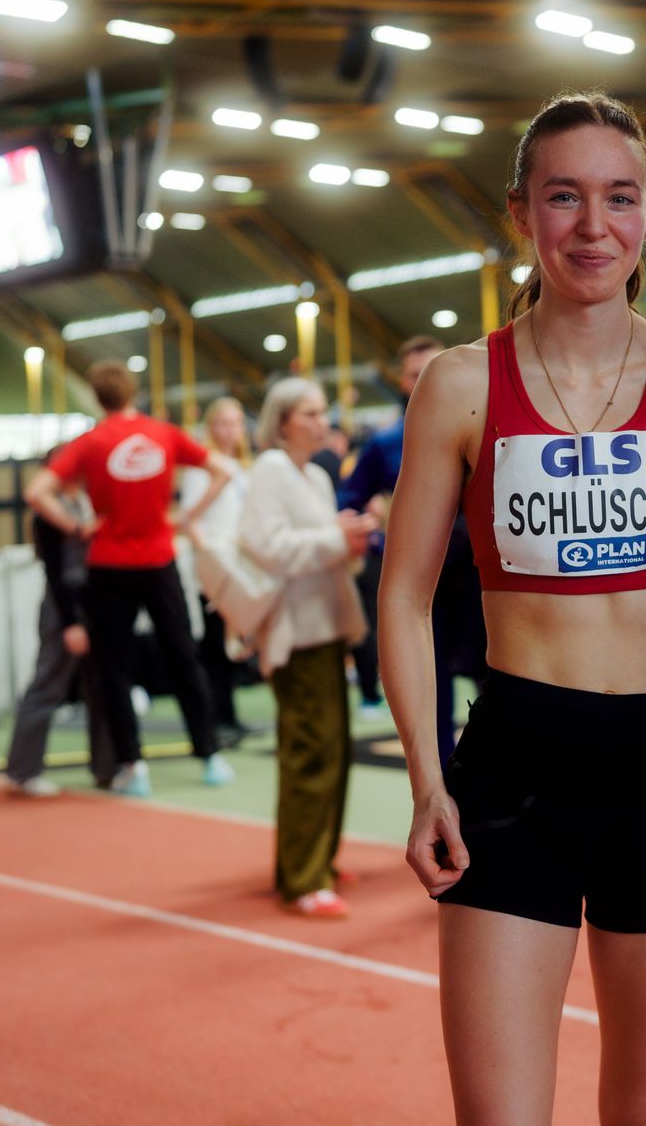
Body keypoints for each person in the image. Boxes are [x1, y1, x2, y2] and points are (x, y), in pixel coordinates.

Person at [382, 94, 646, 1125]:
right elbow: (403, 593)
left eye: (620, 198)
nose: (593, 226)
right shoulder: (460, 383)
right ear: (521, 213)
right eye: (564, 197)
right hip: (517, 765)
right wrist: (426, 778)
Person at [24, 361, 236, 798]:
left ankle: (132, 766)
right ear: (133, 391)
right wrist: (185, 518)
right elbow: (224, 470)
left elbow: (36, 492)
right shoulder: (164, 433)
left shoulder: (90, 443)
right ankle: (210, 754)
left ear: (97, 397)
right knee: (183, 656)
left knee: (114, 668)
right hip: (159, 560)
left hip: (110, 565)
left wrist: (76, 527)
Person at [239, 378, 377, 918]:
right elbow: (266, 546)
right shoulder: (271, 470)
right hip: (295, 632)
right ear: (282, 422)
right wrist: (335, 539)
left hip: (326, 627)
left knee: (333, 750)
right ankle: (302, 876)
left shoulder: (316, 475)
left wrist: (345, 537)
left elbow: (315, 544)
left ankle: (319, 858)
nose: (323, 422)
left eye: (323, 412)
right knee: (309, 754)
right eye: (310, 413)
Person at [341, 336, 485, 743]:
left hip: (483, 584)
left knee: (498, 687)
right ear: (403, 382)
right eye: (414, 374)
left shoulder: (486, 425)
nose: (424, 379)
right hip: (425, 588)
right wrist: (377, 542)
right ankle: (439, 774)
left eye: (431, 369)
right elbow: (347, 501)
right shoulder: (387, 443)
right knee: (432, 693)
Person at [1, 456, 115, 796]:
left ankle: (108, 767)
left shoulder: (85, 503)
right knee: (48, 684)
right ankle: (23, 771)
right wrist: (71, 622)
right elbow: (55, 573)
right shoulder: (47, 514)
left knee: (103, 686)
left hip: (94, 603)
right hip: (63, 609)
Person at [180, 396, 253, 745]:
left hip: (239, 563)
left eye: (235, 423)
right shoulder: (202, 468)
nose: (230, 430)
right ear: (212, 427)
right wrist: (207, 559)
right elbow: (189, 518)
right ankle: (215, 720)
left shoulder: (242, 467)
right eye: (223, 423)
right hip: (214, 565)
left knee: (233, 642)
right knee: (214, 645)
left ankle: (229, 715)